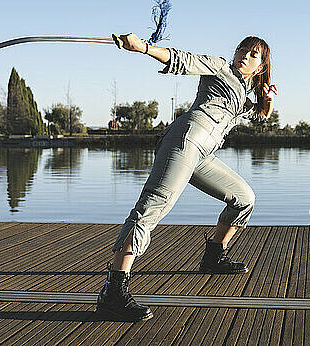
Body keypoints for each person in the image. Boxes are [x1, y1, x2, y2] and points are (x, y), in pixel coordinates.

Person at [96, 33, 277, 321]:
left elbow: (257, 115)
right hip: (184, 140)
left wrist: (266, 102)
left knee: (244, 199)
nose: (245, 54)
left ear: (260, 67)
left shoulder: (242, 94)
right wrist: (142, 47)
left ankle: (213, 255)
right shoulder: (219, 68)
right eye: (242, 49)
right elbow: (183, 60)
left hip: (203, 155)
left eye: (253, 54)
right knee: (153, 206)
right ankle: (113, 292)